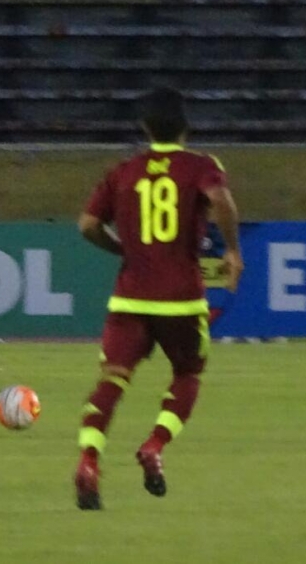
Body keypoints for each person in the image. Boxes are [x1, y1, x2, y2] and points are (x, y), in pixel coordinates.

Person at [73, 87, 243, 510]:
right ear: (186, 126)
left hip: (130, 298)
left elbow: (88, 225)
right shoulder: (201, 166)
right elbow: (220, 199)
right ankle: (154, 445)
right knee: (187, 374)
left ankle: (89, 462)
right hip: (181, 299)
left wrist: (121, 250)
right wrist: (233, 251)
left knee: (112, 379)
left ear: (144, 128)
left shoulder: (123, 170)